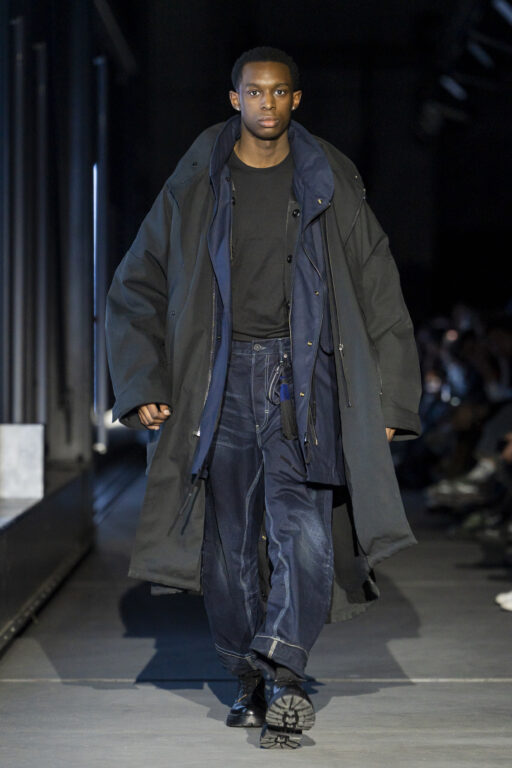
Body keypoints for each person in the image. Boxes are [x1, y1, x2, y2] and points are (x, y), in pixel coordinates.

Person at [105, 46, 423, 750]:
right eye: (255, 93)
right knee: (227, 548)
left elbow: (378, 285)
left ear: (296, 101)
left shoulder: (327, 178)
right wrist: (143, 381)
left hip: (302, 378)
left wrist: (392, 398)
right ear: (235, 99)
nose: (267, 104)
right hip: (215, 382)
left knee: (303, 529)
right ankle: (250, 677)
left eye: (280, 93)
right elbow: (136, 283)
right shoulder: (197, 181)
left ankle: (282, 670)